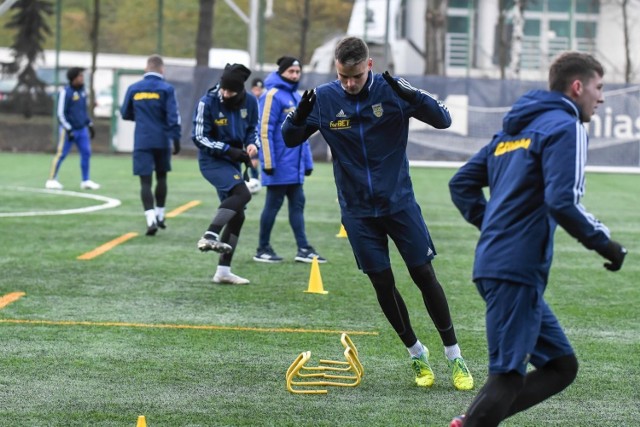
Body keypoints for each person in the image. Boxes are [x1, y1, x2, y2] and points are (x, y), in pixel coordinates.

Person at [281, 36, 473, 390]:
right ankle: (417, 354)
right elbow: (289, 138)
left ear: (368, 65)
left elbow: (443, 119)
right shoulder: (324, 99)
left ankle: (454, 356)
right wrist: (299, 117)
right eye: (343, 77)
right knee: (382, 284)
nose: (349, 84)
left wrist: (412, 95)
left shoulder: (392, 91)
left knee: (423, 276)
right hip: (357, 213)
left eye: (355, 76)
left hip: (400, 205)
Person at [447, 52, 627, 427]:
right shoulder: (567, 126)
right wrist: (606, 244)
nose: (602, 97)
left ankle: (471, 421)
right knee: (509, 374)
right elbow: (562, 201)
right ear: (577, 87)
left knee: (561, 365)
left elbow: (461, 183)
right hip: (516, 268)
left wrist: (496, 226)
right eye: (599, 87)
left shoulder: (513, 129)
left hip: (496, 262)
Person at [253, 56, 326, 264]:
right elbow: (264, 130)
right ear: (281, 72)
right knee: (272, 205)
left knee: (298, 205)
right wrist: (267, 161)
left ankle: (303, 248)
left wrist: (308, 163)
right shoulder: (271, 95)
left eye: (297, 72)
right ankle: (262, 248)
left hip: (295, 168)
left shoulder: (296, 96)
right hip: (278, 166)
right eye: (290, 72)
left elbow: (302, 135)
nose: (295, 75)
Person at [192, 63, 260, 285]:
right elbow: (199, 137)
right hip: (212, 160)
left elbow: (253, 129)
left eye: (231, 90)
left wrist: (252, 145)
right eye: (224, 88)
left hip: (234, 160)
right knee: (243, 194)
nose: (226, 93)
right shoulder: (207, 102)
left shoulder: (250, 102)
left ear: (240, 90)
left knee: (238, 214)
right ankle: (210, 235)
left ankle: (223, 270)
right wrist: (228, 150)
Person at [120, 54, 182, 236]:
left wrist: (140, 119)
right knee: (161, 177)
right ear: (162, 69)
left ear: (147, 68)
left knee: (145, 181)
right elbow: (173, 117)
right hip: (162, 140)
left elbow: (125, 113)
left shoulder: (134, 88)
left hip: (142, 140)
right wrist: (176, 140)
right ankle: (160, 214)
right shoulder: (167, 89)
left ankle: (150, 220)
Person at [45, 67, 100, 190]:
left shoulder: (83, 91)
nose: (82, 78)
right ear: (74, 78)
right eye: (80, 76)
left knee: (86, 153)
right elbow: (60, 113)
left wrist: (89, 124)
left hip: (82, 130)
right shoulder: (66, 92)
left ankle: (86, 180)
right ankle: (51, 179)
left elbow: (83, 111)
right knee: (61, 154)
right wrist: (68, 129)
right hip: (69, 130)